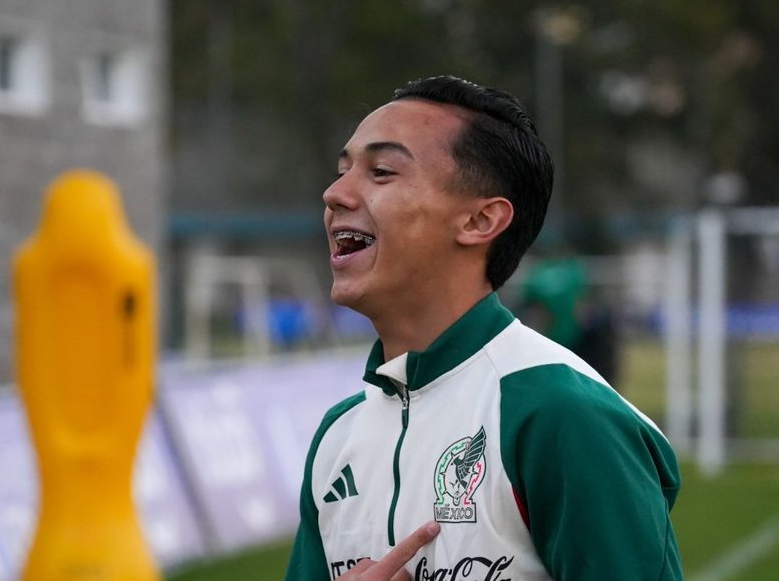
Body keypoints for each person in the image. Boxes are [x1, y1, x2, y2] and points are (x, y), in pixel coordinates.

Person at [285, 76, 683, 581]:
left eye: (381, 171)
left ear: (479, 221)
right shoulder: (337, 436)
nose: (335, 193)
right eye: (343, 171)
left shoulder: (560, 414)